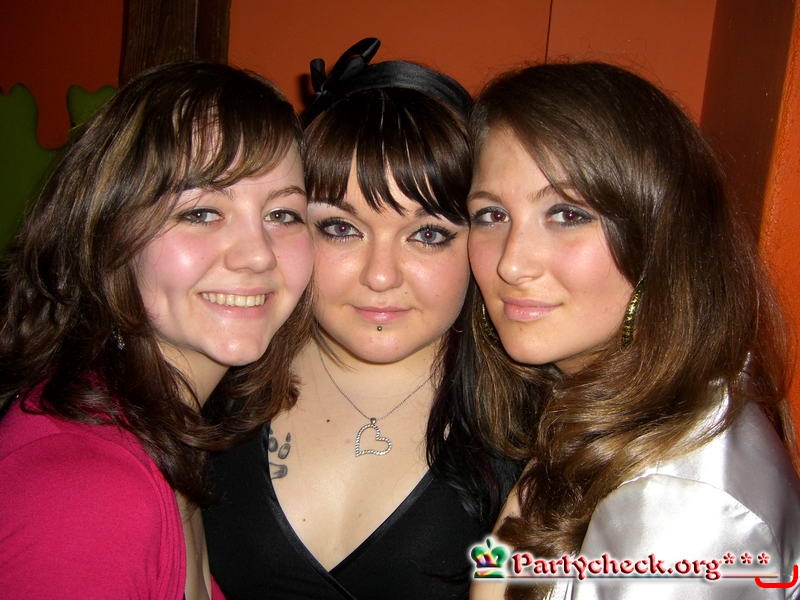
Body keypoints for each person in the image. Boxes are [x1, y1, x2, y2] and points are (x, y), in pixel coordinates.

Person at [465, 62, 800, 600]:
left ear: (659, 237)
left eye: (567, 215)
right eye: (491, 215)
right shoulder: (611, 410)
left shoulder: (680, 514)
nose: (511, 263)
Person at [203, 38, 519, 599]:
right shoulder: (211, 381)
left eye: (428, 234)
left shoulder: (538, 431)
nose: (380, 276)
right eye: (341, 228)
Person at [0, 61, 313, 599]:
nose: (258, 255)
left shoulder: (168, 435)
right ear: (108, 232)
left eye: (283, 214)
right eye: (201, 212)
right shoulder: (84, 492)